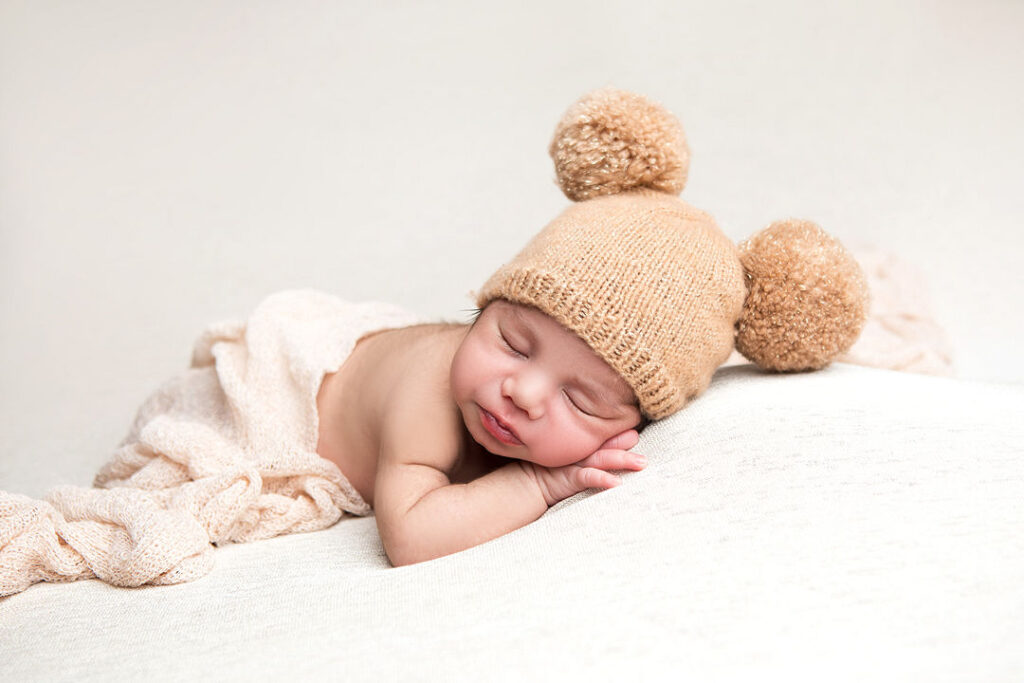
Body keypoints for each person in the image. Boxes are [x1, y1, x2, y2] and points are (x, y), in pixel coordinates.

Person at [0, 87, 867, 594]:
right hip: (273, 396)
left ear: (632, 418)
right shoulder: (431, 396)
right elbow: (409, 534)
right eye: (512, 340)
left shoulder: (519, 384)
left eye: (579, 398)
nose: (521, 392)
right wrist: (547, 478)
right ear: (485, 306)